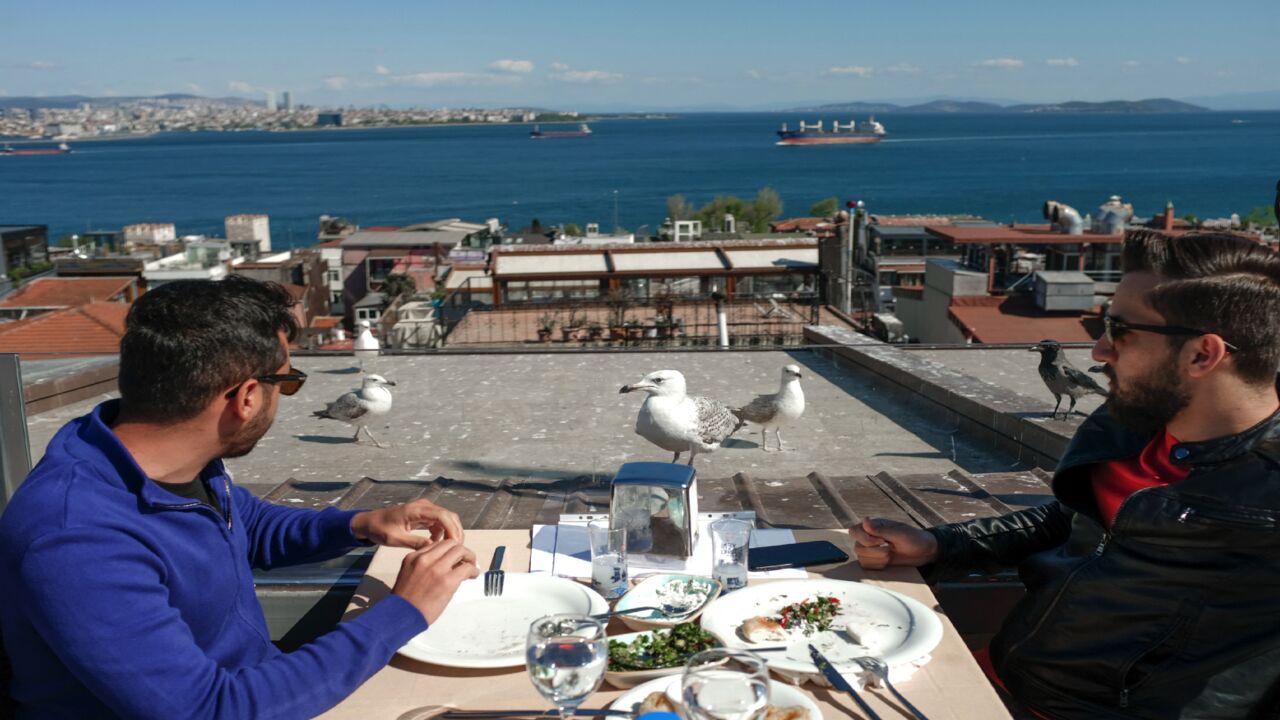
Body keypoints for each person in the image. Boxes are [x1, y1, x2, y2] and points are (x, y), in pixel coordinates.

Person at [0, 277, 479, 719]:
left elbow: (241, 523)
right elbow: (210, 711)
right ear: (247, 396)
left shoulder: (159, 457)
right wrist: (405, 612)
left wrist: (358, 525)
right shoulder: (76, 540)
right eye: (287, 383)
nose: (285, 397)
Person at [851, 231, 1280, 719]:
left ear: (1203, 354)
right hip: (993, 675)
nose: (1099, 351)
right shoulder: (1132, 423)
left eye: (1119, 329)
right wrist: (939, 544)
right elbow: (1073, 521)